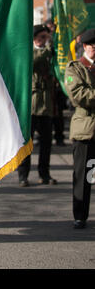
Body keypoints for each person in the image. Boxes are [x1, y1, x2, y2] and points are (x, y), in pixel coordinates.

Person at [18, 24, 57, 187]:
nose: (44, 41)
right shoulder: (29, 51)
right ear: (34, 38)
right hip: (31, 103)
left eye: (46, 38)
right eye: (42, 37)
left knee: (46, 142)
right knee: (27, 143)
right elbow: (33, 62)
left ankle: (44, 174)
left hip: (46, 102)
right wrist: (48, 50)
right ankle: (23, 175)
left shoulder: (49, 53)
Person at [64, 28, 95, 229]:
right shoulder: (75, 68)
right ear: (84, 46)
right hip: (86, 129)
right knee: (83, 175)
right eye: (93, 46)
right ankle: (80, 215)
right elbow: (78, 95)